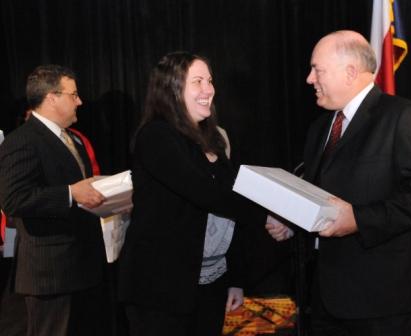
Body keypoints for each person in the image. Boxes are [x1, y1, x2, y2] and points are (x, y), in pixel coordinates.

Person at [266, 30, 411, 336]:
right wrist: (293, 220)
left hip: (389, 303)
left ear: (350, 72)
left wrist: (359, 219)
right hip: (326, 301)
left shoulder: (405, 117)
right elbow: (322, 195)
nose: (309, 79)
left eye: (316, 69)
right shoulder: (321, 127)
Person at [118, 51, 258, 336]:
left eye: (209, 80)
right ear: (171, 88)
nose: (209, 89)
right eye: (197, 81)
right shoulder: (156, 136)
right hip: (160, 289)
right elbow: (206, 194)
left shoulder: (213, 138)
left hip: (211, 282)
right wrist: (269, 214)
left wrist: (236, 278)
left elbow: (230, 211)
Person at [0, 64, 108, 336]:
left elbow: (80, 190)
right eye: (73, 94)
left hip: (83, 267)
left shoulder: (74, 139)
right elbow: (13, 199)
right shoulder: (21, 141)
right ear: (51, 97)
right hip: (50, 274)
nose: (80, 101)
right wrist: (71, 193)